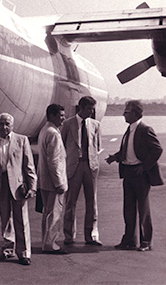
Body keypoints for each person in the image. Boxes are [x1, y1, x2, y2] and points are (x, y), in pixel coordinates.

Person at [106, 100, 163, 251]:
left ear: (135, 113)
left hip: (140, 174)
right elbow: (127, 150)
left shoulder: (145, 129)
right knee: (128, 209)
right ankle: (130, 240)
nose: (123, 114)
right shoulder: (129, 129)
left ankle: (145, 242)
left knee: (143, 209)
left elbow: (157, 149)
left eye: (126, 111)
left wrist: (144, 167)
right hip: (128, 172)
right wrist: (115, 157)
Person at [0, 113, 37, 266]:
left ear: (12, 126)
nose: (4, 127)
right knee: (5, 219)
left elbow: (29, 165)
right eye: (1, 124)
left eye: (7, 124)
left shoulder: (22, 140)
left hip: (18, 185)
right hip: (0, 185)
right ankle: (8, 249)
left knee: (21, 219)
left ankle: (24, 252)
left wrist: (32, 187)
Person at [61, 96, 102, 246]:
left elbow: (97, 146)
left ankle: (91, 235)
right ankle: (69, 235)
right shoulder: (67, 124)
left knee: (92, 201)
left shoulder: (96, 125)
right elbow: (62, 145)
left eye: (92, 109)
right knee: (71, 201)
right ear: (81, 108)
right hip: (74, 166)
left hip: (90, 166)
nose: (91, 112)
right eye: (89, 109)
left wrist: (94, 162)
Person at [37, 104, 68, 254]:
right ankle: (51, 244)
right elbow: (54, 161)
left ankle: (46, 242)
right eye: (61, 115)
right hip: (53, 182)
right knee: (54, 214)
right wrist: (59, 183)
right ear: (52, 116)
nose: (63, 118)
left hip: (44, 180)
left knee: (47, 213)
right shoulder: (54, 133)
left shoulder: (45, 130)